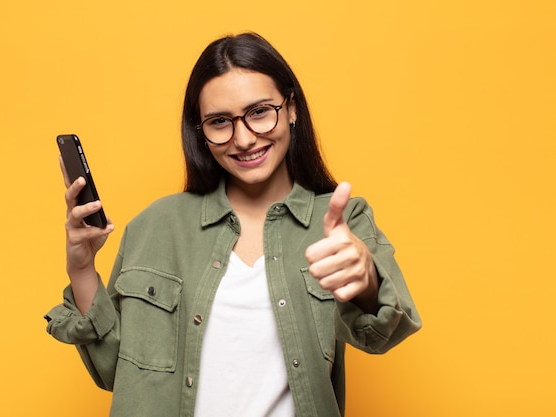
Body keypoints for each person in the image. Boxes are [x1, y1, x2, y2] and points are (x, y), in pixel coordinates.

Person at [45, 32, 421, 417]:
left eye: (259, 111)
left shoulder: (340, 221)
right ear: (201, 132)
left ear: (291, 108)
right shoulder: (156, 226)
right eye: (220, 121)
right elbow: (115, 372)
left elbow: (385, 331)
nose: (243, 138)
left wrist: (366, 280)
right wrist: (82, 269)